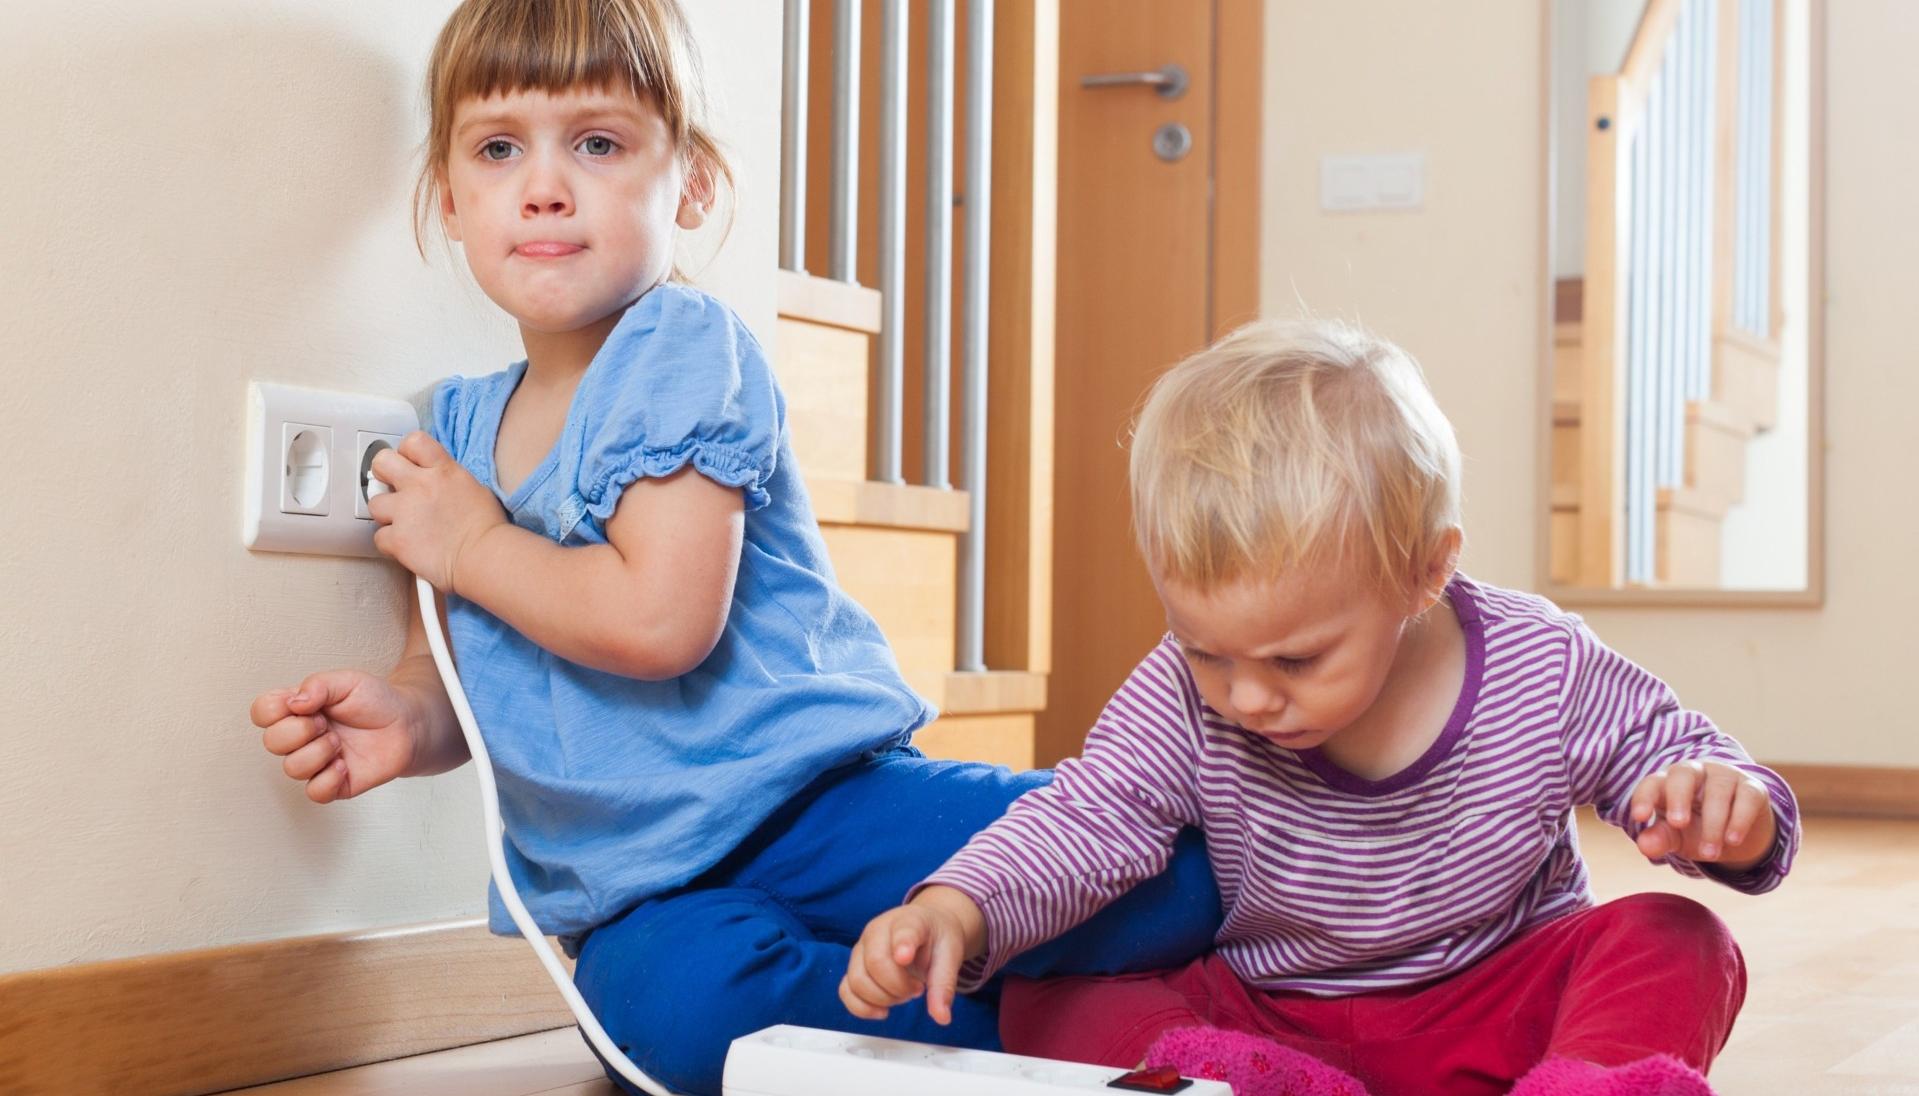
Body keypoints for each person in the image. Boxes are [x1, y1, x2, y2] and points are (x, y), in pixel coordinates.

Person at [245, 3, 1219, 1092]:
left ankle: (1159, 986)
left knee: (1176, 878)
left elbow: (658, 621)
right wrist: (407, 719)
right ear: (448, 198)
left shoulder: (680, 346)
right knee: (664, 1021)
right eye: (498, 148)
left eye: (599, 144)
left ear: (692, 181)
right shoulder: (455, 431)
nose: (545, 185)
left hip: (823, 805)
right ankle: (1060, 1037)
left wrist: (471, 542)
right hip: (645, 891)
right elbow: (472, 671)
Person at [842, 318, 1799, 1096]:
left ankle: (1581, 1088)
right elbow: (1090, 817)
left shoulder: (1538, 665)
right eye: (1208, 650)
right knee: (1048, 997)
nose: (1247, 695)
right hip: (1273, 1020)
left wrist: (1728, 811)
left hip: (1497, 1006)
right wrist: (959, 907)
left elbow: (1672, 753)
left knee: (1676, 941)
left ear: (1426, 571)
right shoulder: (1181, 692)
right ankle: (1244, 1085)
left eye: (1296, 658)